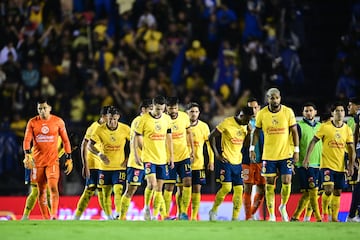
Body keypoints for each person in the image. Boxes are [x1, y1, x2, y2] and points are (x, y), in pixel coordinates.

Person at [250, 87, 299, 222]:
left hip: (285, 153)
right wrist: (252, 148)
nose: (275, 100)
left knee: (287, 180)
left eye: (277, 97)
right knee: (270, 182)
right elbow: (256, 132)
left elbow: (294, 131)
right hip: (269, 155)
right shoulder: (262, 113)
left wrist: (296, 150)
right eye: (272, 97)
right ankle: (271, 214)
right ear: (268, 99)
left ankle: (282, 206)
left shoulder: (288, 112)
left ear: (280, 98)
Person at [303, 102, 355, 222]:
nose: (340, 113)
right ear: (332, 113)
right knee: (328, 189)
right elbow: (313, 141)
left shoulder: (347, 129)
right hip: (327, 165)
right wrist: (307, 158)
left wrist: (351, 165)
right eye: (337, 111)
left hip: (340, 166)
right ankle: (325, 213)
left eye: (342, 111)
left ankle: (334, 218)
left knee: (337, 192)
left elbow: (351, 148)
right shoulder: (325, 127)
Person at [23, 98, 73, 220]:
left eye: (44, 108)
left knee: (53, 187)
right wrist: (27, 154)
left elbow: (66, 141)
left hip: (52, 162)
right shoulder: (32, 122)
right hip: (36, 162)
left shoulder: (58, 122)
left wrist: (69, 158)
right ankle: (44, 218)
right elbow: (26, 140)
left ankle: (54, 215)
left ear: (50, 108)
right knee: (39, 192)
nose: (42, 111)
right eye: (40, 108)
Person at [208, 106, 254, 221]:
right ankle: (213, 210)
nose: (248, 122)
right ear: (242, 116)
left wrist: (249, 133)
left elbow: (246, 145)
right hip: (226, 161)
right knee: (227, 188)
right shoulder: (227, 123)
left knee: (239, 189)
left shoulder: (245, 127)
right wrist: (217, 155)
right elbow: (211, 137)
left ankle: (235, 217)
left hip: (238, 162)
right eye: (247, 120)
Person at [134, 95, 174, 220]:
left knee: (159, 188)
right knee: (152, 184)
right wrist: (139, 153)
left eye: (162, 109)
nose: (159, 112)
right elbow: (137, 137)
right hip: (149, 158)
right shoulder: (144, 119)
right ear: (153, 106)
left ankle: (156, 215)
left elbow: (169, 138)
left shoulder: (167, 119)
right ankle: (146, 208)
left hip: (162, 158)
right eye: (157, 109)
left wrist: (171, 156)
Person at [87, 106, 130, 220]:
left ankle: (119, 215)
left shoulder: (125, 129)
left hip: (119, 166)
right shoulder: (99, 129)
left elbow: (134, 143)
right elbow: (89, 145)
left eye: (115, 119)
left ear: (118, 118)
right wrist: (99, 154)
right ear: (107, 118)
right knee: (106, 193)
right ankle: (109, 217)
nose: (112, 122)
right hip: (104, 167)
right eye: (110, 119)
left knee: (118, 190)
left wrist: (128, 159)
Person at [73, 106, 111, 220]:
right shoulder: (94, 127)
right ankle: (77, 216)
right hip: (93, 162)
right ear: (103, 116)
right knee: (90, 189)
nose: (111, 120)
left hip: (102, 163)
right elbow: (84, 145)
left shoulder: (107, 128)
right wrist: (85, 165)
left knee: (102, 189)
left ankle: (109, 216)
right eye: (108, 117)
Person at [119, 99, 153, 220]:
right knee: (131, 190)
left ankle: (148, 210)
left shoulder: (152, 121)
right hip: (137, 161)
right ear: (143, 110)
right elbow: (138, 141)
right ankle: (122, 216)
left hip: (151, 160)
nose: (152, 111)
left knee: (154, 185)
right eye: (150, 109)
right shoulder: (138, 121)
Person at [163, 97, 194, 220]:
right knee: (169, 186)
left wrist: (192, 150)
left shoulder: (184, 117)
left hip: (183, 156)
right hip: (168, 158)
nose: (173, 110)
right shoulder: (163, 120)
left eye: (175, 108)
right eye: (171, 108)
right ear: (167, 108)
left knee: (187, 182)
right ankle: (165, 214)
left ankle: (183, 212)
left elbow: (188, 133)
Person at [290, 102, 322, 222]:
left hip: (318, 164)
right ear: (303, 113)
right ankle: (318, 218)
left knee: (308, 193)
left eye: (310, 110)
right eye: (306, 111)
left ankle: (295, 216)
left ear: (315, 112)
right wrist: (293, 161)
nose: (309, 113)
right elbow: (293, 143)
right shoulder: (299, 126)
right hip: (305, 164)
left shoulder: (320, 126)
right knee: (313, 191)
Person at [21, 137, 65, 220]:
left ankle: (52, 216)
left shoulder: (59, 138)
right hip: (35, 162)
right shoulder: (48, 135)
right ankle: (25, 216)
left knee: (48, 192)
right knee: (35, 192)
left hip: (46, 164)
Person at [186, 102, 214, 221]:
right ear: (187, 112)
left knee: (197, 189)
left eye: (196, 112)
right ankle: (181, 213)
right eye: (192, 111)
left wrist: (211, 161)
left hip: (199, 164)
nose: (194, 114)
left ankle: (193, 217)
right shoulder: (182, 125)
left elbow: (209, 145)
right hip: (183, 163)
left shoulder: (204, 126)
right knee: (182, 189)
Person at [242, 98, 266, 220]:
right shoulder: (243, 122)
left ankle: (251, 213)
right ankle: (248, 217)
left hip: (262, 160)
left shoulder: (264, 122)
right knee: (247, 187)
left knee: (261, 189)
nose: (253, 110)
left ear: (259, 108)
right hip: (246, 160)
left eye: (255, 107)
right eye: (250, 108)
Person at [346, 97, 360, 222]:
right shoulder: (356, 118)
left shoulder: (357, 118)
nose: (348, 107)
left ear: (358, 106)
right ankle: (352, 214)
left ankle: (353, 214)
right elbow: (355, 135)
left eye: (351, 105)